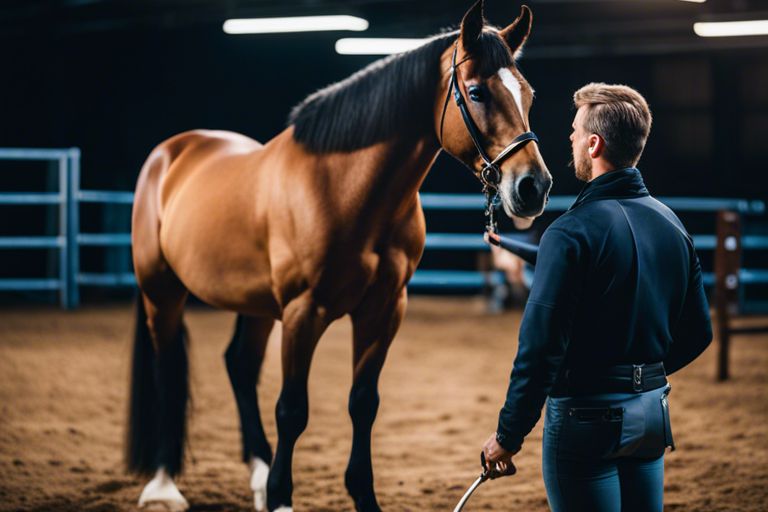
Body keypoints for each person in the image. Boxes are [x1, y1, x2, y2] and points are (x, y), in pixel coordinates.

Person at [481, 83, 713, 512]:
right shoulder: (673, 227)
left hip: (583, 422)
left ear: (593, 143)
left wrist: (508, 435)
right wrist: (638, 375)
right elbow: (699, 332)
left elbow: (539, 350)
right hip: (650, 416)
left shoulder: (570, 231)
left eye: (574, 131)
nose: (568, 138)